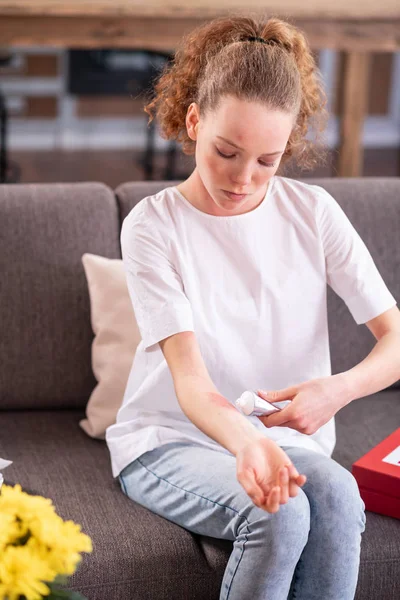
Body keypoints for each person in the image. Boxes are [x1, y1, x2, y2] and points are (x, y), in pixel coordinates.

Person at [105, 14, 396, 600]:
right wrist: (246, 442)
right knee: (280, 514)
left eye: (267, 160)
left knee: (339, 499)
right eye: (226, 152)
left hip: (279, 439)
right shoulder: (153, 226)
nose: (243, 180)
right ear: (193, 121)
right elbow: (190, 383)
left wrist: (336, 389)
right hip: (170, 440)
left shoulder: (312, 214)